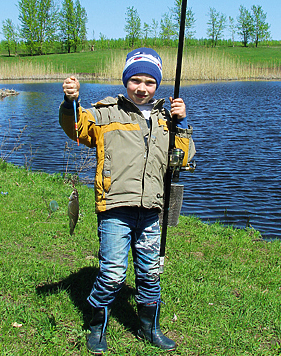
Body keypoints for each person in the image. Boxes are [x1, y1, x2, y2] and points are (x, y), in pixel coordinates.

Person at [59, 47, 195, 354]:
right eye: (136, 80)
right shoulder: (107, 112)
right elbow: (76, 129)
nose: (142, 88)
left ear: (157, 85)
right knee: (113, 274)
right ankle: (97, 328)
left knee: (149, 273)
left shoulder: (166, 118)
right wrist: (71, 102)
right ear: (126, 82)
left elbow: (184, 159)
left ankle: (150, 328)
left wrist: (182, 123)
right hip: (115, 210)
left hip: (150, 212)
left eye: (149, 82)